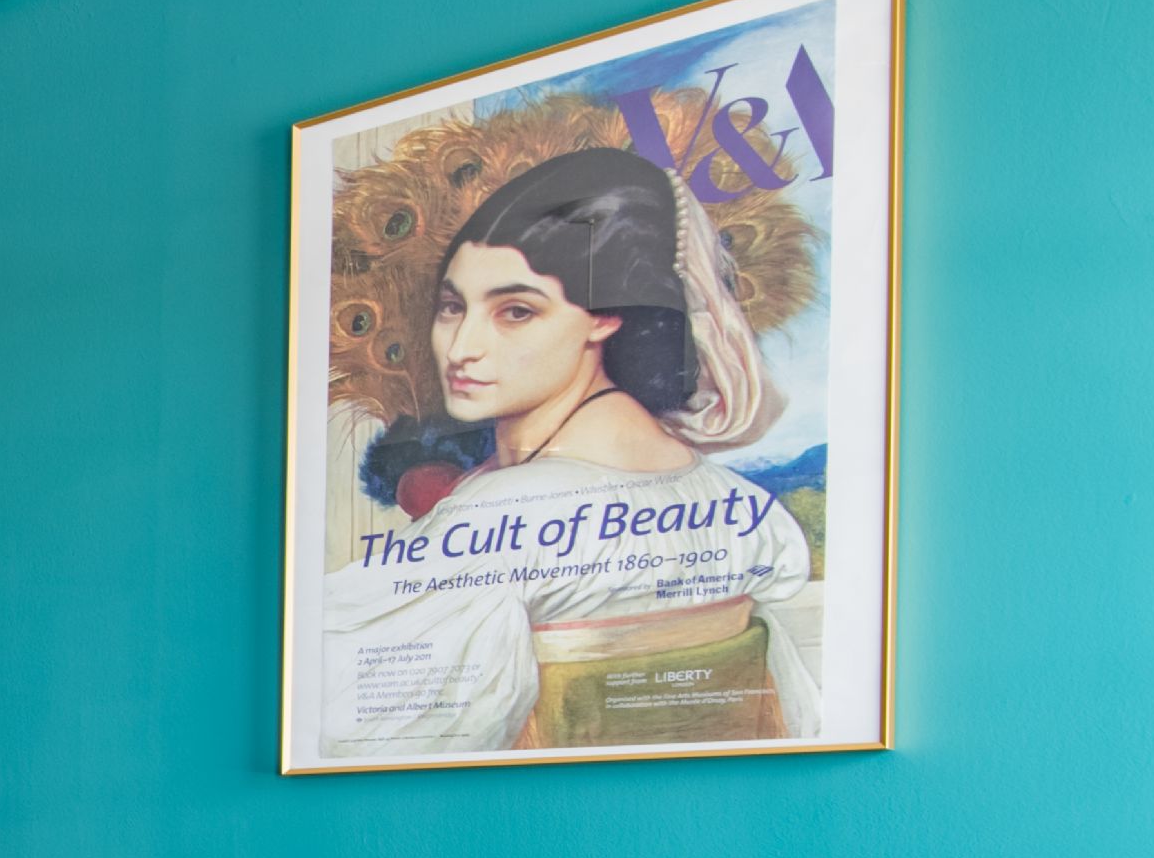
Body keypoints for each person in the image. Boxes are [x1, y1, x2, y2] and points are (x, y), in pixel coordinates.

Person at [321, 145, 812, 755]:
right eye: (452, 307)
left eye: (516, 311)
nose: (462, 347)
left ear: (605, 317)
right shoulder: (740, 508)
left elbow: (340, 722)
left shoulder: (497, 521)